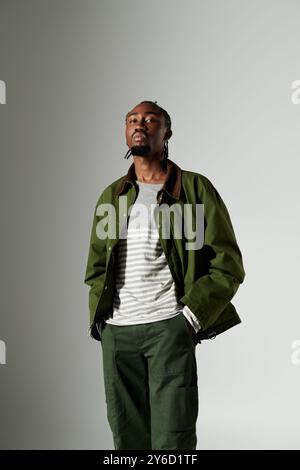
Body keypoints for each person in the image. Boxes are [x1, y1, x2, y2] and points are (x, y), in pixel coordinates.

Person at [84, 100, 246, 450]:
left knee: (173, 437)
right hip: (117, 334)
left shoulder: (195, 189)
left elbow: (228, 263)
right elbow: (96, 267)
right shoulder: (112, 196)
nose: (139, 124)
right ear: (126, 132)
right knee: (127, 438)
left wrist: (189, 318)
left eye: (150, 119)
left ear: (166, 132)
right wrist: (101, 321)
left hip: (168, 329)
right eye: (131, 120)